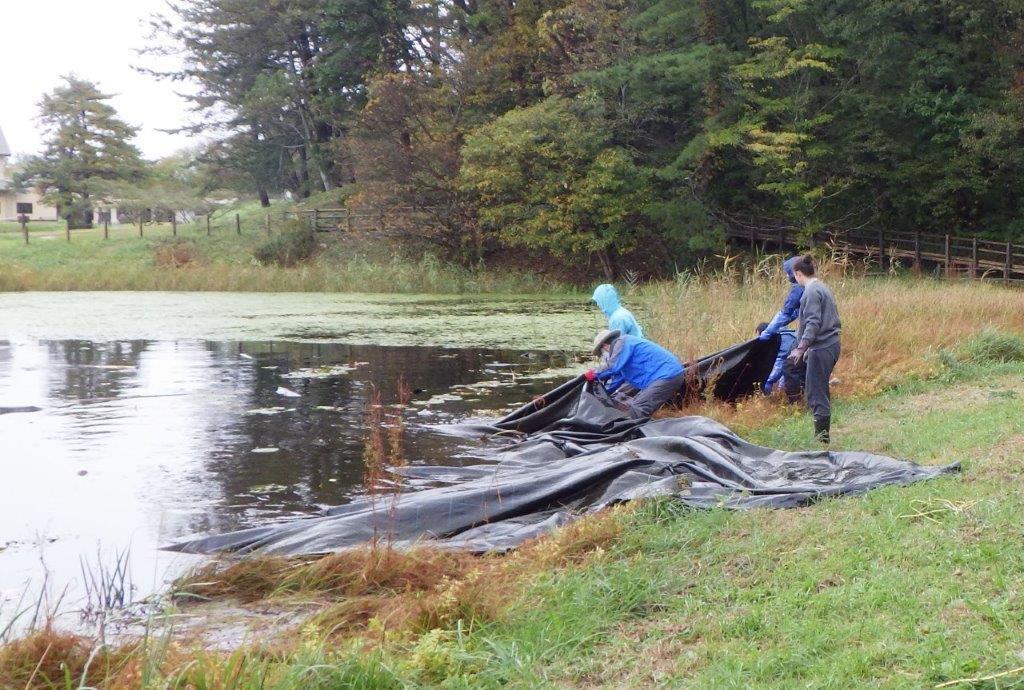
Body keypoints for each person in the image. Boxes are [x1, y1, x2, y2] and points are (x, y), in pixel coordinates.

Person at [783, 255, 841, 443]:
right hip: (830, 344)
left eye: (794, 276)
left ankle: (822, 441)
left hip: (822, 347)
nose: (794, 279)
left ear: (798, 274)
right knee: (819, 389)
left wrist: (801, 348)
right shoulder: (822, 286)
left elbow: (813, 323)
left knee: (816, 393)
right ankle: (822, 437)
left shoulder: (811, 292)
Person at [584, 329, 685, 418]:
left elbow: (612, 367)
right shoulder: (622, 355)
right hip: (665, 375)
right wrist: (598, 395)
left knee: (638, 409)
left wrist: (592, 374)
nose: (604, 356)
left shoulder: (622, 343)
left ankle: (639, 437)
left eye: (601, 353)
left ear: (605, 346)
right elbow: (615, 381)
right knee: (636, 405)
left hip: (667, 375)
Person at [758, 256, 804, 342]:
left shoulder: (799, 288)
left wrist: (767, 332)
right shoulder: (812, 285)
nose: (787, 275)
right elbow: (796, 312)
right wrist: (778, 326)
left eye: (788, 272)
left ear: (795, 273)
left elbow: (785, 313)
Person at [756, 322, 796, 395]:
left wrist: (768, 381)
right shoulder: (789, 333)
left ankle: (768, 398)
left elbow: (780, 363)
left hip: (793, 360)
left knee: (770, 381)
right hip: (802, 359)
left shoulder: (779, 339)